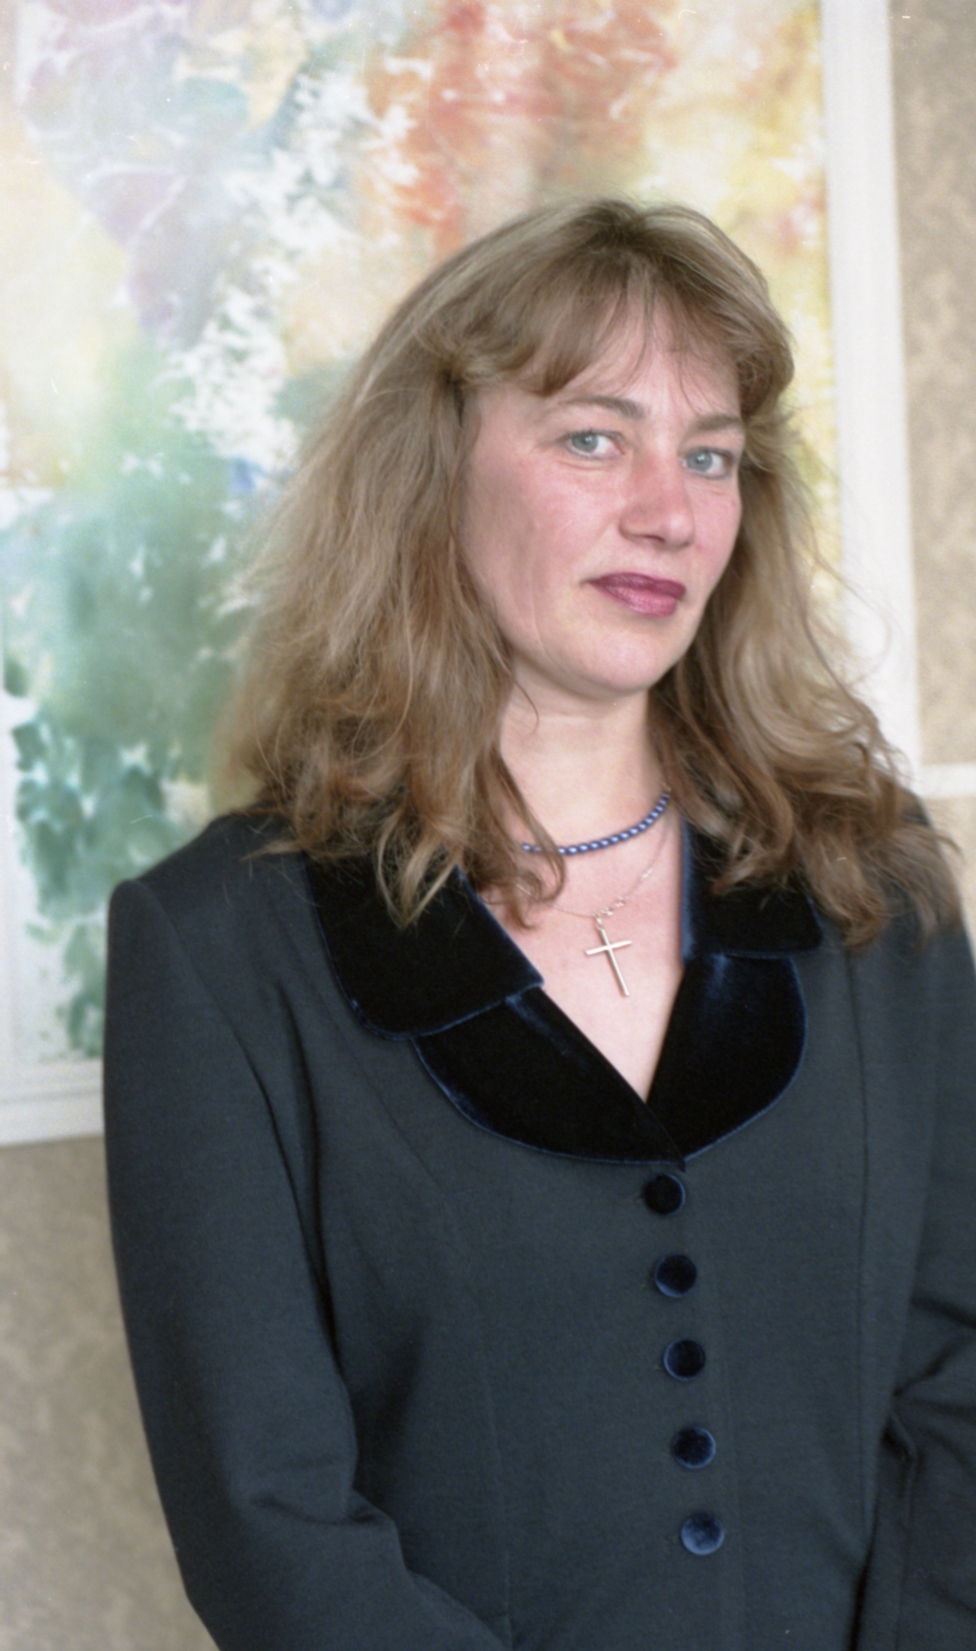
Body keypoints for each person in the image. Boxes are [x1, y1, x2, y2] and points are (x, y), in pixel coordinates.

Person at [103, 199, 976, 1651]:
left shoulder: (874, 887)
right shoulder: (217, 948)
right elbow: (270, 1527)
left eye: (711, 454)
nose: (670, 511)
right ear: (431, 467)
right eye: (593, 439)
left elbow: (962, 1383)